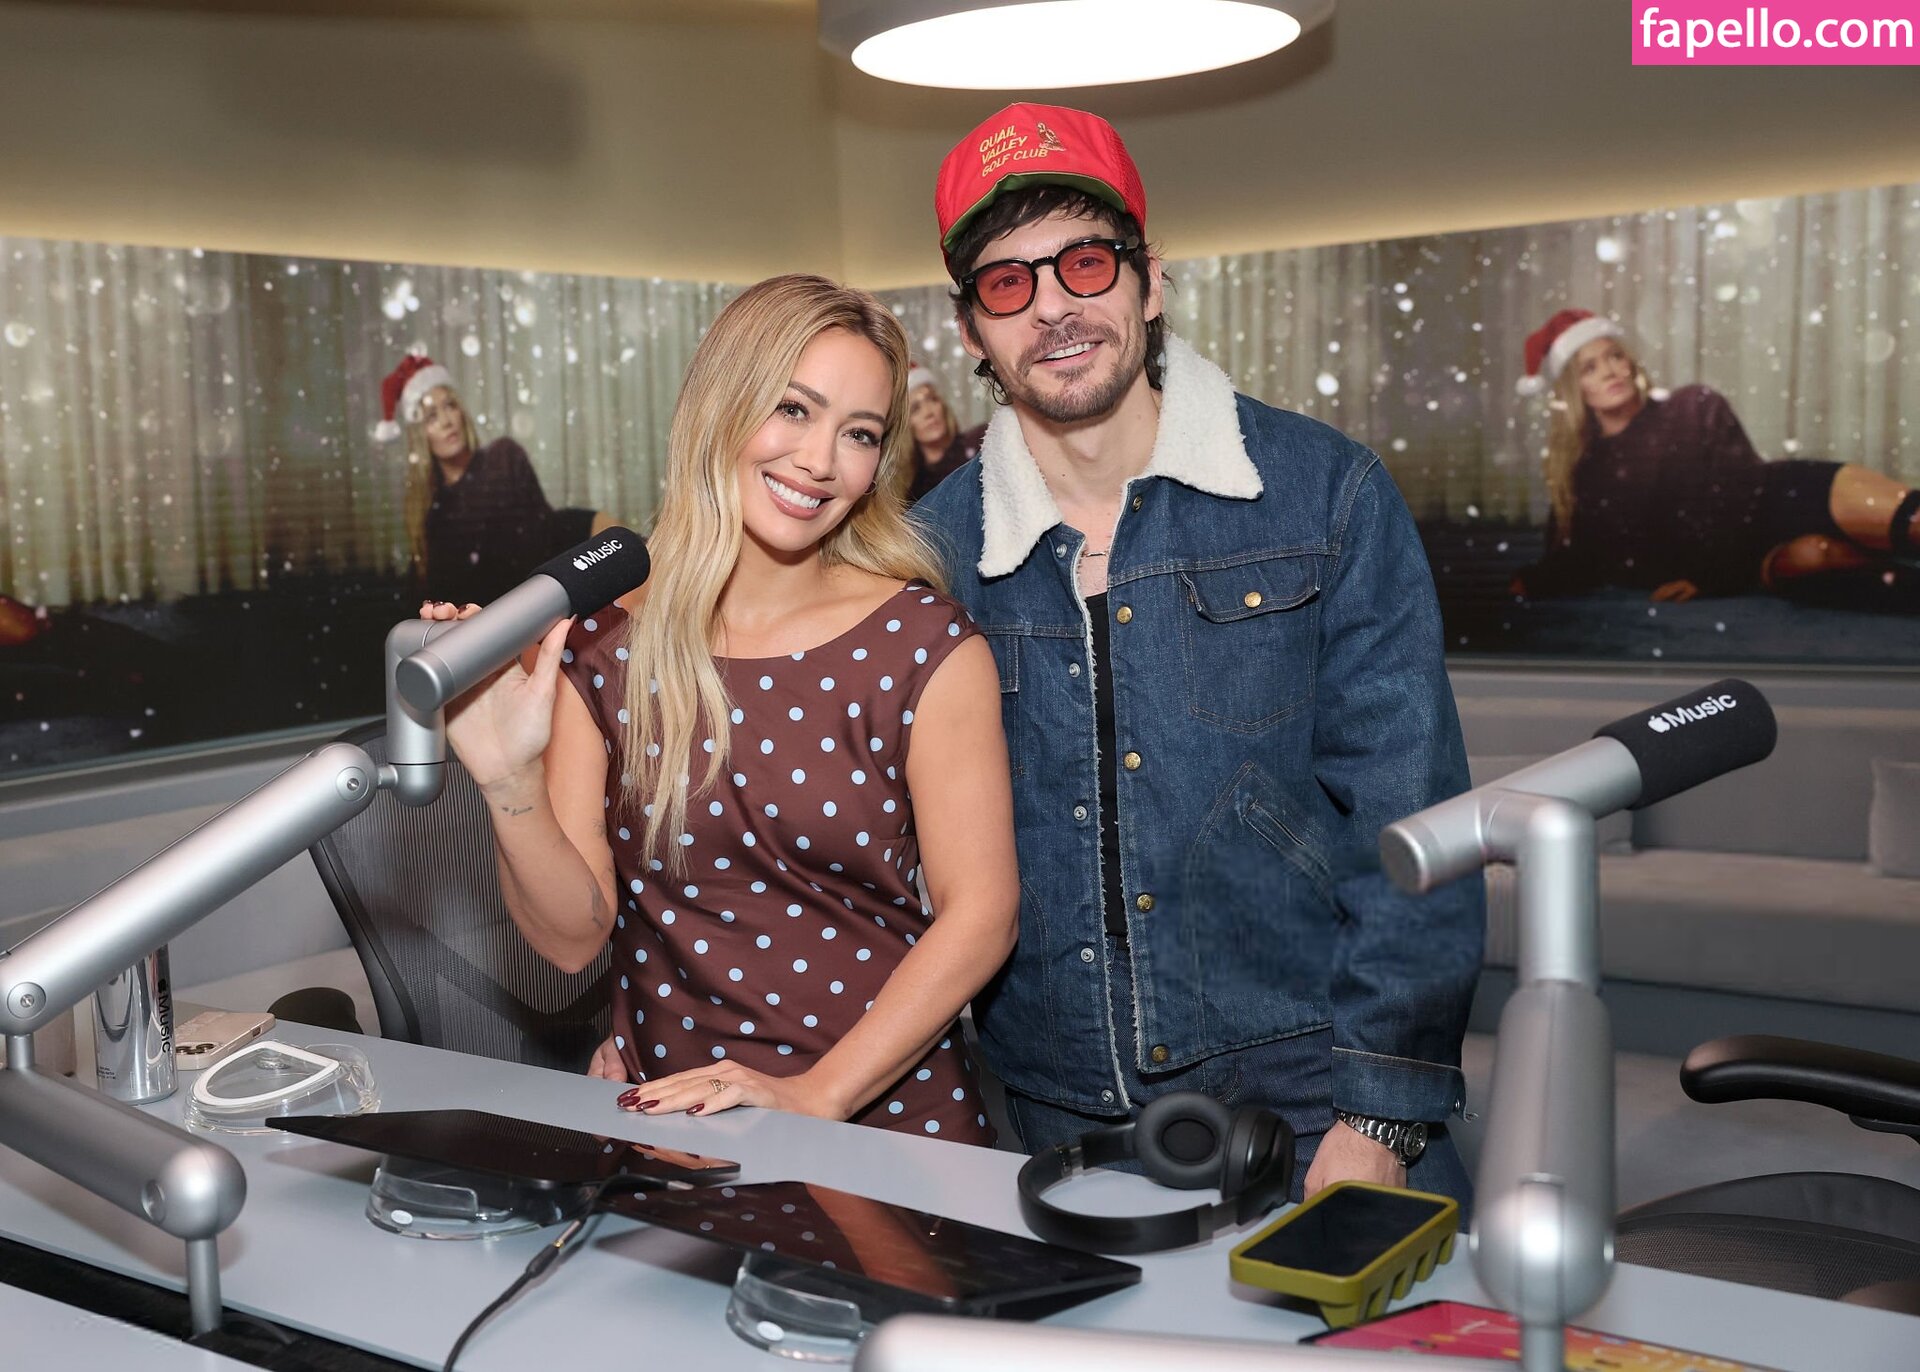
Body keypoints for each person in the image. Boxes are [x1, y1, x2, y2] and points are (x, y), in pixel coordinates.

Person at [910, 104, 1483, 1204]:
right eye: (1008, 283)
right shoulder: (931, 558)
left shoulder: (1325, 495)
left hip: (1319, 1101)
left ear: (1149, 282)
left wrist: (1379, 1114)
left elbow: (1415, 829)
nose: (1054, 308)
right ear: (972, 330)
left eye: (1085, 263)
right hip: (1049, 1116)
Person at [427, 275, 1019, 1144]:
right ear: (721, 403)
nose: (820, 460)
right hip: (676, 1126)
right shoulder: (603, 639)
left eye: (859, 433)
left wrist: (817, 1094)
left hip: (882, 1124)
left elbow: (982, 915)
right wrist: (508, 779)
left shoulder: (924, 642)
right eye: (793, 409)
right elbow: (572, 941)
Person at [1511, 309, 1918, 602]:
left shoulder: (1692, 404)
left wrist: (1709, 575)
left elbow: (1737, 492)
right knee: (1820, 559)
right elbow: (1579, 554)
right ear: (1574, 390)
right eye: (1589, 368)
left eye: (1615, 356)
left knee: (1912, 522)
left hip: (1786, 498)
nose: (1610, 370)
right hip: (1755, 558)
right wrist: (1531, 583)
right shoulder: (1586, 470)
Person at [379, 355, 603, 607]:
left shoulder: (503, 456)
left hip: (548, 588)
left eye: (450, 406)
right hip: (495, 614)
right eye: (431, 416)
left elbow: (539, 536)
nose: (446, 421)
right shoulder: (433, 513)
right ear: (421, 435)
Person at [903, 363, 985, 504]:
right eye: (915, 409)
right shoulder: (911, 489)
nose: (929, 412)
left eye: (933, 399)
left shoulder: (980, 441)